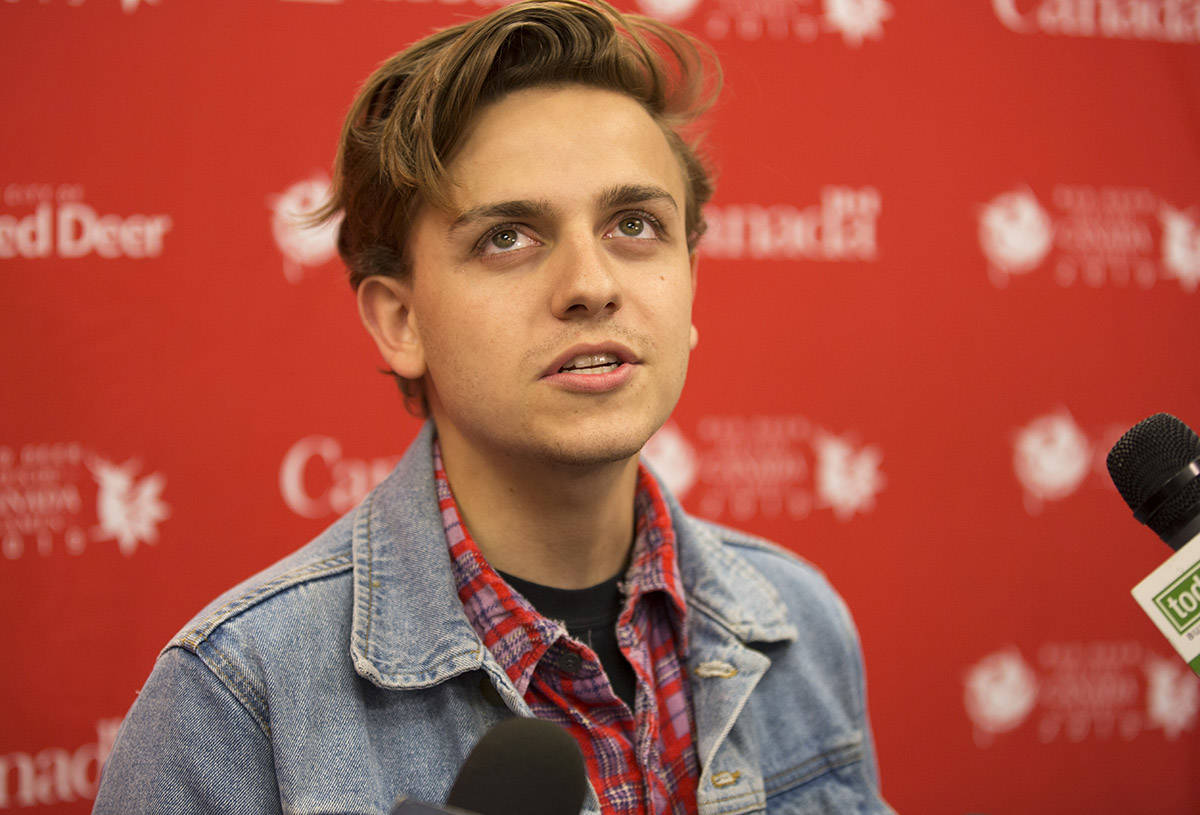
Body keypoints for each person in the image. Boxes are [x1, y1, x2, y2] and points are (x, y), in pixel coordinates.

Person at [94, 2, 895, 813]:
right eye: (508, 237)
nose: (591, 284)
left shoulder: (798, 621)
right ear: (400, 321)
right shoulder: (238, 699)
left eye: (634, 224)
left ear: (691, 280)